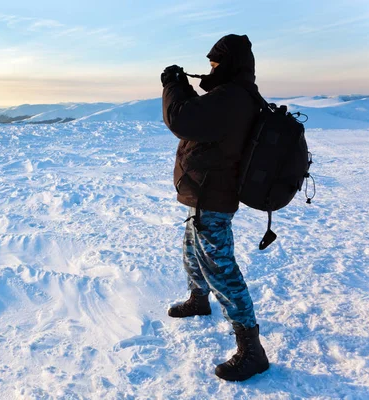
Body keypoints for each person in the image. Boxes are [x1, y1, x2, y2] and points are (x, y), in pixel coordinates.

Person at [160, 34, 269, 382]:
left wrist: (173, 86)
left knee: (220, 268)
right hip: (205, 193)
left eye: (215, 64)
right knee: (193, 250)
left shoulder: (233, 98)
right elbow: (200, 117)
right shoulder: (232, 97)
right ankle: (198, 298)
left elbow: (182, 119)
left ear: (230, 64)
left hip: (214, 196)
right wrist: (183, 89)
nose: (210, 70)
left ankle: (252, 349)